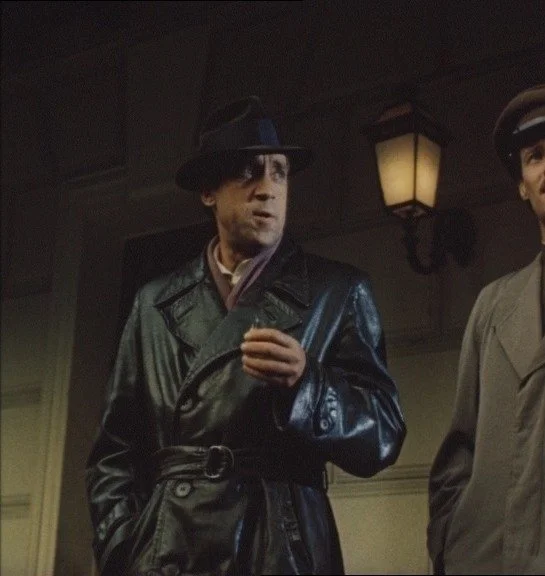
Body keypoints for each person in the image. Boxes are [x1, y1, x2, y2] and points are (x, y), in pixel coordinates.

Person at [86, 95, 406, 576]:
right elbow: (114, 454)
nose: (268, 190)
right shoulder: (154, 303)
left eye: (279, 173)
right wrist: (124, 550)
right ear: (208, 191)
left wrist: (307, 386)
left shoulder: (337, 291)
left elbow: (383, 436)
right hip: (169, 552)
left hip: (279, 549)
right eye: (248, 172)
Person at [427, 84, 545, 575]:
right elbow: (459, 451)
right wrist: (449, 544)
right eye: (536, 156)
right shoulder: (493, 307)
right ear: (522, 185)